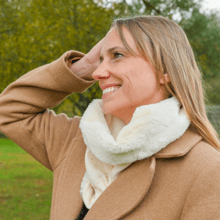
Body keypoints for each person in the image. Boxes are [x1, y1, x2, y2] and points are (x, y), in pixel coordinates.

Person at [0, 15, 220, 220]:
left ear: (165, 70)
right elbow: (9, 110)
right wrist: (83, 65)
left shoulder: (207, 171)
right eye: (100, 59)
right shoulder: (74, 140)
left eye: (117, 55)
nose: (98, 73)